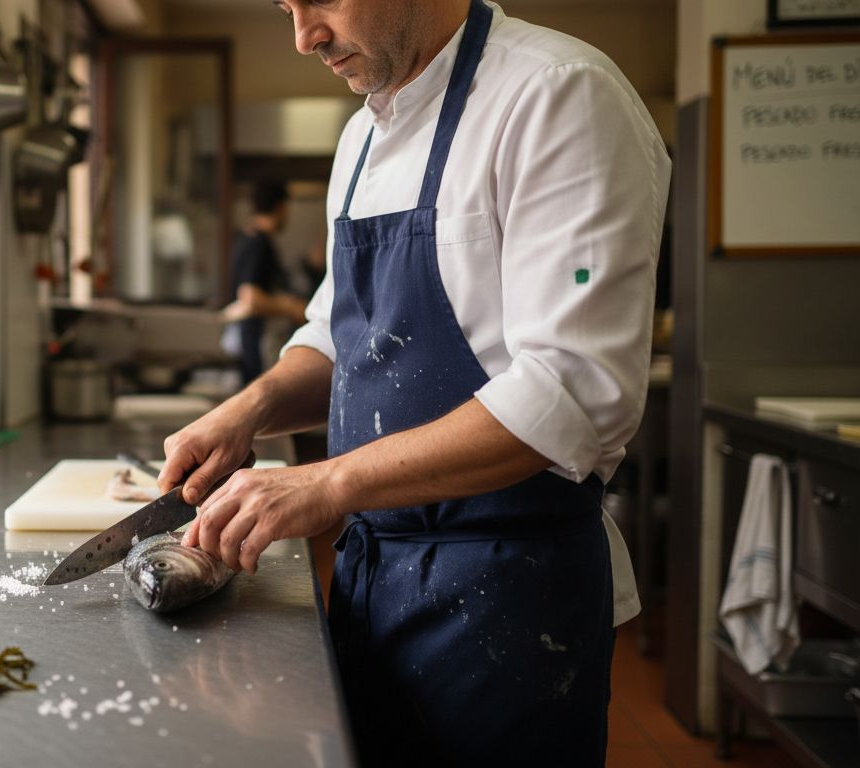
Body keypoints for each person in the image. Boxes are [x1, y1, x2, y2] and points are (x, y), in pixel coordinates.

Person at [158, 0, 670, 765]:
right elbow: (339, 333)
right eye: (287, 7)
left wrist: (328, 483)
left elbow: (571, 392)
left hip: (507, 604)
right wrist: (250, 409)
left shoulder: (557, 94)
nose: (304, 37)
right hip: (373, 581)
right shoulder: (362, 136)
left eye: (321, 0)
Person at [222, 180, 308, 384]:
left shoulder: (247, 238)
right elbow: (251, 298)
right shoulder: (257, 243)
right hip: (255, 343)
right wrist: (291, 307)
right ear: (281, 207)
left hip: (249, 340)